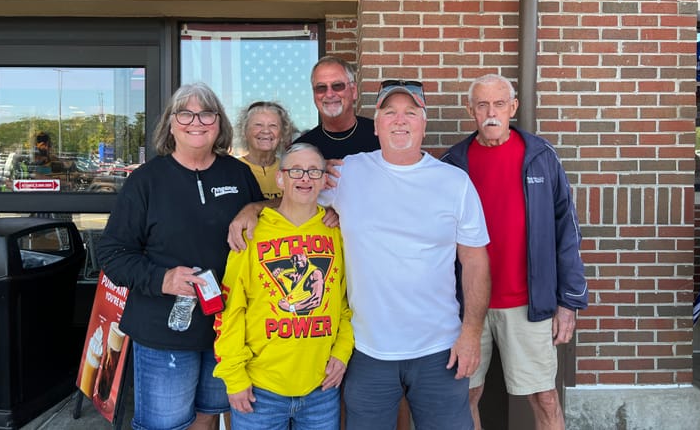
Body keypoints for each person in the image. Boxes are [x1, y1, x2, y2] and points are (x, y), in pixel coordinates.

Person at [229, 79, 491, 430]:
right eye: (390, 112)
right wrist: (254, 208)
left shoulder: (454, 183)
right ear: (377, 123)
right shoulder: (348, 173)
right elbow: (298, 195)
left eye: (410, 113)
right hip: (369, 351)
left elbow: (475, 261)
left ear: (423, 121)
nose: (400, 121)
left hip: (439, 349)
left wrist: (471, 333)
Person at [96, 82, 263, 430]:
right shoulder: (146, 181)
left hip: (226, 330)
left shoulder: (238, 174)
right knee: (166, 425)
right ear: (171, 125)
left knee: (208, 415)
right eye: (184, 113)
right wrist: (164, 279)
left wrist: (256, 205)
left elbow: (270, 223)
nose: (196, 121)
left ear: (219, 123)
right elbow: (112, 253)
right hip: (164, 331)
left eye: (206, 112)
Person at [440, 74, 588, 430]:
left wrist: (568, 300)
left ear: (513, 108)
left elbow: (566, 230)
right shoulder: (452, 163)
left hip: (528, 303)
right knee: (466, 396)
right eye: (482, 105)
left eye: (499, 104)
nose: (491, 113)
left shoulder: (540, 156)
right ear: (470, 110)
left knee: (545, 397)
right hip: (466, 306)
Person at [214, 143, 353, 430]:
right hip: (260, 389)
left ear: (324, 179)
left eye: (314, 171)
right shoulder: (251, 232)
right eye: (296, 171)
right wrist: (234, 376)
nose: (305, 178)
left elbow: (347, 303)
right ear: (281, 178)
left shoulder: (338, 232)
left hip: (321, 387)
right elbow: (230, 310)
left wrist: (342, 352)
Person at [293, 56, 379, 159]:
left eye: (337, 85)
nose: (329, 94)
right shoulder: (302, 148)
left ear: (354, 91)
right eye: (321, 87)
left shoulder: (380, 136)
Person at [236, 101, 294, 199]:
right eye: (258, 125)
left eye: (273, 125)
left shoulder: (290, 170)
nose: (266, 131)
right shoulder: (232, 170)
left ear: (283, 134)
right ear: (244, 132)